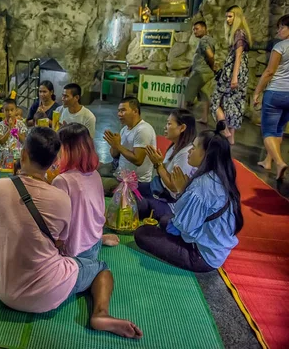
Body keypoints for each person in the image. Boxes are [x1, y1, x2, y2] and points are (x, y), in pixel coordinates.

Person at [0, 127, 142, 339]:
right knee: (102, 269)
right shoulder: (62, 195)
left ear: (22, 154)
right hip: (48, 292)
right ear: (54, 160)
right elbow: (60, 243)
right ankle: (100, 313)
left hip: (5, 293)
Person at [134, 121, 243, 273]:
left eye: (195, 147)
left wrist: (181, 191)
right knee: (166, 220)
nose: (190, 151)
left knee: (142, 233)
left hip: (200, 255)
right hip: (213, 248)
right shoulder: (220, 176)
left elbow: (184, 227)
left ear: (206, 154)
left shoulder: (202, 186)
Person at [52, 123, 120, 257]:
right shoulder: (95, 174)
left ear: (65, 149)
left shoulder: (62, 181)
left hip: (73, 253)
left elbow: (57, 227)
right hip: (94, 244)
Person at [140, 110, 197, 219]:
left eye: (169, 124)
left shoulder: (185, 154)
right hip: (159, 189)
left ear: (182, 128)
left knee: (139, 204)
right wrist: (158, 164)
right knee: (132, 189)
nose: (165, 127)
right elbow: (164, 173)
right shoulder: (175, 146)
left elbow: (174, 187)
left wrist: (159, 164)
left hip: (170, 203)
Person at [253, 14, 289, 181]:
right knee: (279, 129)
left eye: (282, 27)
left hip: (275, 92)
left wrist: (257, 92)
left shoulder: (280, 46)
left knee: (268, 131)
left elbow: (269, 72)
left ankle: (280, 163)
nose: (279, 30)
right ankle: (268, 161)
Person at [210, 6, 252, 145]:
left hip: (232, 73)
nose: (227, 20)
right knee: (233, 104)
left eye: (230, 16)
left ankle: (226, 130)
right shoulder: (242, 33)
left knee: (215, 101)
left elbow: (238, 56)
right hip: (241, 73)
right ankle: (231, 137)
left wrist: (234, 77)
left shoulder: (238, 33)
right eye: (227, 16)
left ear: (237, 17)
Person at [102, 97, 157, 197]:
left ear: (135, 111)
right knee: (92, 171)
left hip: (136, 183)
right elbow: (115, 155)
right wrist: (114, 145)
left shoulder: (143, 130)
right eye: (118, 111)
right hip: (119, 173)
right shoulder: (124, 129)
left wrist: (118, 146)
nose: (119, 114)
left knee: (96, 184)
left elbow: (138, 160)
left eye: (123, 110)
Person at [184, 21, 217, 123]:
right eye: (194, 29)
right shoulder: (211, 40)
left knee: (188, 92)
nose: (194, 31)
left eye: (197, 29)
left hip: (201, 72)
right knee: (204, 94)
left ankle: (181, 118)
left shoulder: (203, 41)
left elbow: (210, 55)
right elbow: (201, 57)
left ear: (204, 28)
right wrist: (190, 69)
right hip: (205, 71)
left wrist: (213, 66)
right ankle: (204, 118)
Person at [0, 98, 28, 170]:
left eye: (12, 110)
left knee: (21, 159)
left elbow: (23, 141)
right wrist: (9, 130)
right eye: (7, 110)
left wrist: (15, 130)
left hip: (18, 152)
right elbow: (1, 142)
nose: (9, 113)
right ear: (3, 111)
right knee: (8, 163)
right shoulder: (0, 125)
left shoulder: (20, 124)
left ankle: (16, 165)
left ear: (15, 111)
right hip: (5, 153)